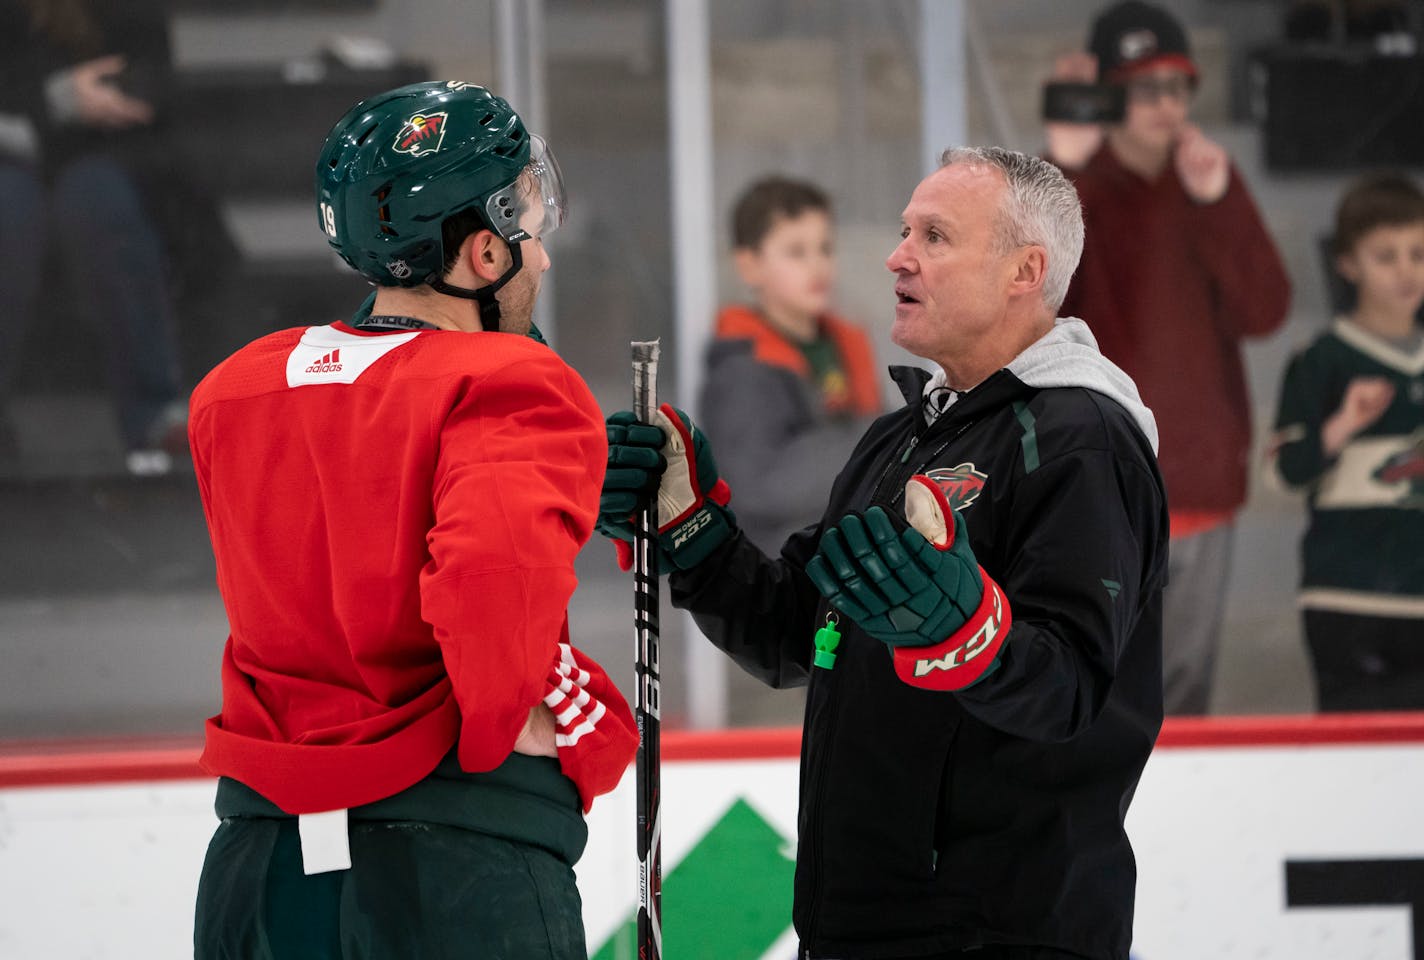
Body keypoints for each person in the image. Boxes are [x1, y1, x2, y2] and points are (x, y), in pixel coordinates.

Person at [601, 148, 1168, 959]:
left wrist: (964, 632)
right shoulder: (904, 436)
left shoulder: (1084, 440)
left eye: (934, 236)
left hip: (1000, 934)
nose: (898, 255)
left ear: (1023, 271)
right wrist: (690, 529)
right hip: (857, 925)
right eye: (905, 231)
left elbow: (1072, 690)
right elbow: (798, 630)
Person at [189, 81, 637, 959]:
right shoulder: (511, 383)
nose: (541, 260)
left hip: (254, 867)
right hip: (449, 870)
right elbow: (488, 593)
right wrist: (492, 738)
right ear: (481, 256)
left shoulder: (235, 388)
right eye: (529, 234)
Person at [1044, 0, 1291, 715]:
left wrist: (1217, 202)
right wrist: (1066, 165)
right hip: (1100, 482)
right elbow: (1033, 311)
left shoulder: (1208, 180)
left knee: (1181, 698)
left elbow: (1265, 309)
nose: (1163, 105)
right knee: (1096, 692)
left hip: (1198, 476)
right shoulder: (1070, 185)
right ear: (1107, 91)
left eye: (1176, 87)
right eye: (1142, 86)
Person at [0, 0, 188, 475]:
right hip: (11, 151)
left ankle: (153, 413)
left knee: (104, 207)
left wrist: (108, 96)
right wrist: (53, 102)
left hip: (103, 150)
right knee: (7, 212)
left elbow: (152, 78)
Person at [1269, 172, 1424, 712]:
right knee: (1357, 757)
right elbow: (1287, 471)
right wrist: (1341, 426)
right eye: (1386, 256)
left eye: (1417, 253)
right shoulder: (1321, 359)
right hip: (1347, 597)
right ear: (1348, 263)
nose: (1406, 270)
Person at [702, 176, 882, 552]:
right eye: (796, 252)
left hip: (851, 558)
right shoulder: (742, 369)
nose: (817, 265)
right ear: (750, 266)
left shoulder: (846, 344)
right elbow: (758, 485)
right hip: (783, 573)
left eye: (825, 248)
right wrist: (873, 448)